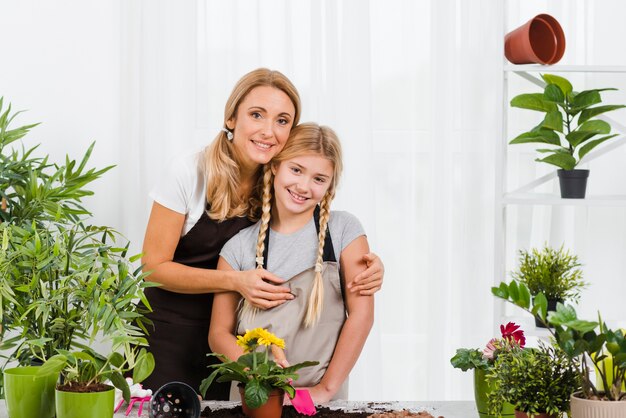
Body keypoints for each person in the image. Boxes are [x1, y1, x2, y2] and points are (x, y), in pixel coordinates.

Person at [141, 68, 384, 398]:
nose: (269, 131)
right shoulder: (189, 172)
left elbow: (315, 231)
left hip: (236, 343)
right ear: (231, 117)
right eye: (257, 114)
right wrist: (235, 281)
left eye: (283, 121)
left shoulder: (279, 180)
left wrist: (365, 265)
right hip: (170, 333)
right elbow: (153, 268)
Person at [209, 122, 374, 404]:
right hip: (255, 399)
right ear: (275, 166)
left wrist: (324, 390)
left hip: (321, 401)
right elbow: (218, 333)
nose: (303, 186)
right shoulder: (238, 247)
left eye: (319, 179)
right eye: (296, 170)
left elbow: (362, 316)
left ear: (330, 185)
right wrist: (263, 379)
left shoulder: (344, 231)